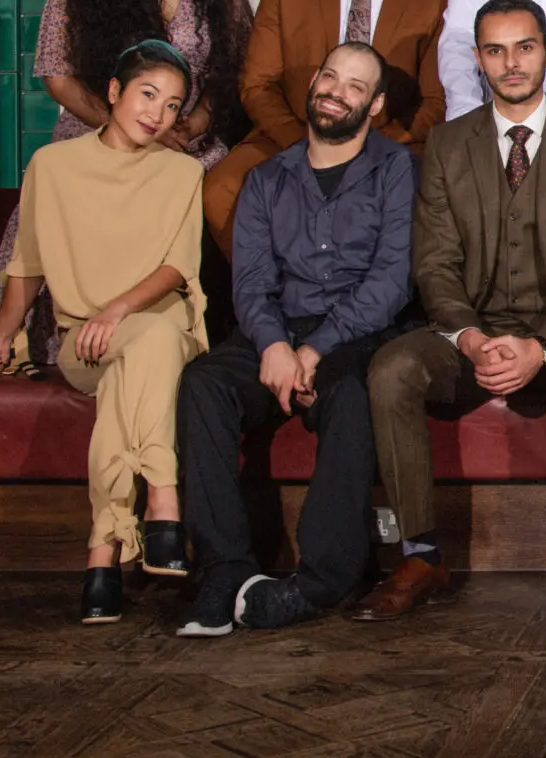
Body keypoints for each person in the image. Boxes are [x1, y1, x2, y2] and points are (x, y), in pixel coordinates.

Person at [357, 0, 546, 622]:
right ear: (478, 58)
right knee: (393, 368)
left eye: (525, 47)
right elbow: (433, 264)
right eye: (496, 50)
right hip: (473, 327)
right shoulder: (448, 144)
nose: (512, 63)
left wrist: (542, 345)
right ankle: (420, 553)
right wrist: (472, 339)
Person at [176, 42, 417, 635]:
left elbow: (390, 283)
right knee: (202, 383)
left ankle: (322, 579)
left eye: (355, 85)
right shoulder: (266, 178)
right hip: (280, 330)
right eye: (330, 76)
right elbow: (252, 283)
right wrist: (275, 347)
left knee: (354, 397)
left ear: (376, 104)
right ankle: (224, 571)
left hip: (361, 333)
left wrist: (314, 349)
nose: (337, 90)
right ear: (313, 83)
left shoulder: (399, 170)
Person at [0, 41, 207, 625]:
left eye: (174, 106)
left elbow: (178, 266)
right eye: (148, 95)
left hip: (165, 334)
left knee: (148, 342)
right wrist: (3, 337)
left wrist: (118, 309)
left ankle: (103, 554)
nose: (158, 113)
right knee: (133, 357)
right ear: (116, 92)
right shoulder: (53, 165)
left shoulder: (183, 171)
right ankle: (162, 504)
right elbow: (27, 263)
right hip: (86, 344)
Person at [0, 0, 248, 366]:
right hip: (99, 132)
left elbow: (227, 73)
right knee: (63, 181)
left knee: (222, 193)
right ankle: (44, 337)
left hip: (189, 144)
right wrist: (123, 127)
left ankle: (199, 337)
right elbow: (56, 76)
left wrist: (190, 123)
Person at [203, 0, 453, 252]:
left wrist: (369, 150)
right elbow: (257, 83)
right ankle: (278, 296)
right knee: (222, 190)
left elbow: (435, 100)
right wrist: (307, 146)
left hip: (387, 142)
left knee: (432, 201)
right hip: (292, 134)